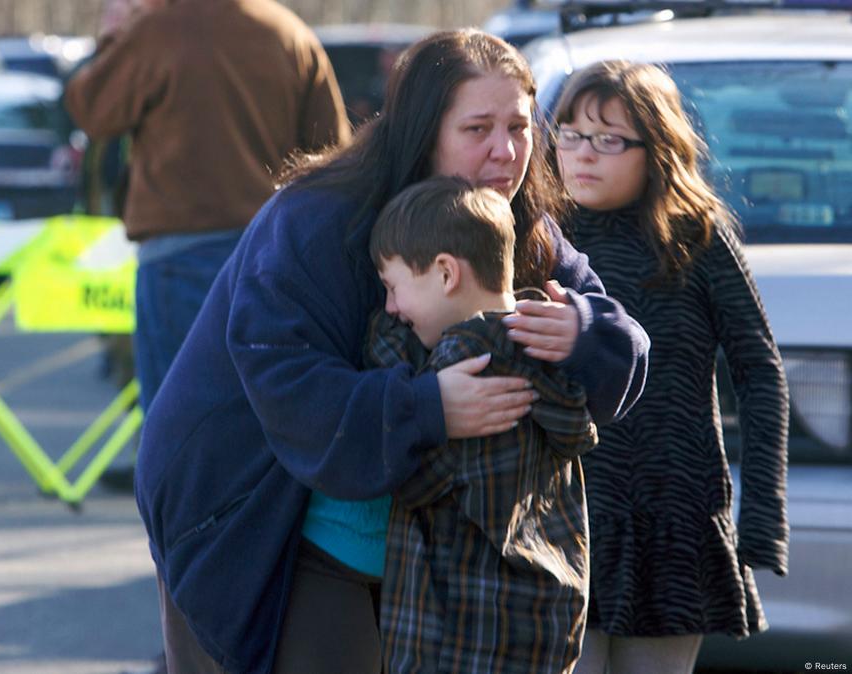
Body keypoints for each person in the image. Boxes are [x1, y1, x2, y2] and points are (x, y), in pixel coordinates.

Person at [135, 29, 650, 674]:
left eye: (519, 127)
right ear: (422, 130)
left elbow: (624, 351)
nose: (506, 151)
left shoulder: (513, 221)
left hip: (412, 544)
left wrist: (585, 332)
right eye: (478, 128)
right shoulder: (316, 218)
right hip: (249, 513)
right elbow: (289, 384)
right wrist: (429, 407)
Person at [551, 61, 789, 674]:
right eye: (570, 134)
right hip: (566, 517)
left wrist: (761, 515)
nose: (583, 155)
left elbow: (759, 371)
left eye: (608, 140)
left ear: (658, 150)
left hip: (674, 521)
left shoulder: (698, 237)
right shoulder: (541, 237)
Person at [63, 0, 351, 420]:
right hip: (276, 258)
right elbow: (333, 156)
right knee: (264, 423)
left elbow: (91, 107)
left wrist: (117, 32)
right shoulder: (289, 33)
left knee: (178, 431)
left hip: (180, 257)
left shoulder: (159, 29)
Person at [366, 176, 597, 673]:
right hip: (541, 627)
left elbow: (411, 480)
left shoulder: (469, 360)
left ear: (446, 274)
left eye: (392, 287)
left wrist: (391, 369)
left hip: (464, 640)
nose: (390, 307)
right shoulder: (543, 350)